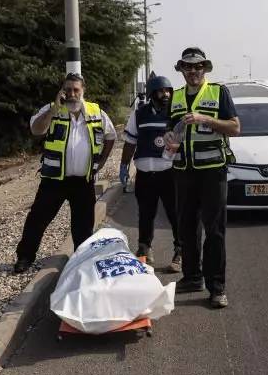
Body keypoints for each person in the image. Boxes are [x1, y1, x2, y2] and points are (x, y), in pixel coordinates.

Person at [14, 72, 117, 273]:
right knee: (37, 219)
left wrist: (101, 163)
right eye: (67, 89)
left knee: (83, 225)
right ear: (62, 91)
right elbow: (36, 129)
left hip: (83, 181)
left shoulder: (96, 112)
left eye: (75, 90)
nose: (71, 94)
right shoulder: (53, 109)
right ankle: (25, 257)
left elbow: (111, 135)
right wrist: (53, 108)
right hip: (54, 180)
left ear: (83, 91)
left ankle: (82, 261)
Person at [164, 47, 240, 309]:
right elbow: (169, 131)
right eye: (188, 67)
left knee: (214, 230)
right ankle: (192, 277)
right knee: (186, 228)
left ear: (205, 69)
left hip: (213, 172)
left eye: (198, 67)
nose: (193, 71)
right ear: (181, 69)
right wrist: (168, 141)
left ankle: (216, 287)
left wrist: (203, 118)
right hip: (183, 172)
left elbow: (235, 127)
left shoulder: (218, 92)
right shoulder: (174, 97)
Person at [119, 75, 181, 273]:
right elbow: (130, 142)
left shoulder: (175, 114)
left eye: (169, 91)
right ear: (152, 93)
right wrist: (124, 165)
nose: (166, 95)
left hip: (169, 174)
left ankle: (180, 251)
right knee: (146, 214)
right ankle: (144, 249)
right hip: (145, 174)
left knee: (175, 214)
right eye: (162, 91)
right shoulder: (139, 114)